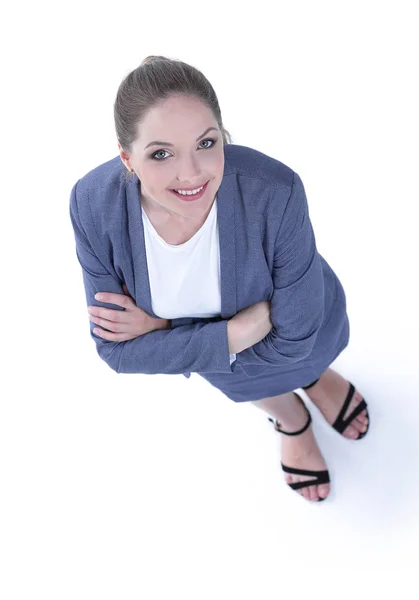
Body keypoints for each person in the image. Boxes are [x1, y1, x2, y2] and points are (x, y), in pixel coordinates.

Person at [69, 55, 370, 503]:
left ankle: (314, 378)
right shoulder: (93, 205)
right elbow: (117, 351)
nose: (191, 173)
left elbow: (297, 336)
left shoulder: (275, 190)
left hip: (307, 327)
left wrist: (169, 334)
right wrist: (232, 334)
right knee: (253, 383)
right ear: (126, 158)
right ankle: (291, 419)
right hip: (233, 367)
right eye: (161, 153)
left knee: (308, 356)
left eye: (206, 143)